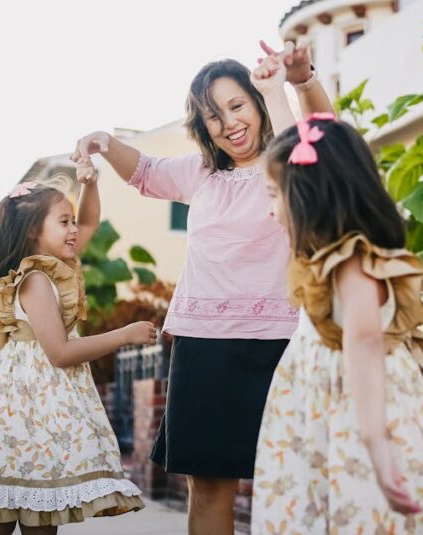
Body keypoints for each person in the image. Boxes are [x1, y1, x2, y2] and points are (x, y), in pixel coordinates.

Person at [71, 42, 332, 535]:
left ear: (259, 102)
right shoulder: (200, 173)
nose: (229, 123)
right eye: (213, 115)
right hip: (203, 347)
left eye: (237, 105)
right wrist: (104, 141)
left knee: (294, 480)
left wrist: (301, 80)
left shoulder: (290, 163)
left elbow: (322, 135)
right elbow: (145, 173)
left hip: (281, 345)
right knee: (208, 487)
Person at [251, 112, 423, 533]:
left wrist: (375, 441)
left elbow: (365, 340)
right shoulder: (329, 261)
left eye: (274, 195)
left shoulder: (352, 262)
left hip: (356, 414)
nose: (271, 210)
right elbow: (291, 141)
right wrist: (277, 90)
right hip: (324, 419)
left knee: (362, 511)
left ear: (309, 196)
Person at [0, 172, 154, 534]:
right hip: (27, 414)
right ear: (32, 231)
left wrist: (90, 183)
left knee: (4, 513)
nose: (74, 229)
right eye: (63, 222)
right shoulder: (37, 280)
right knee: (35, 512)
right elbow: (60, 352)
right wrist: (124, 335)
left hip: (26, 408)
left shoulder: (51, 269)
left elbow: (89, 222)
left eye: (72, 221)